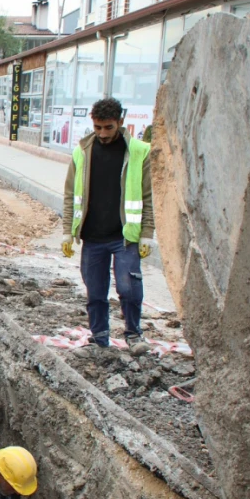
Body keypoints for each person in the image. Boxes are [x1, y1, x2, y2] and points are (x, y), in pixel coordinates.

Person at [61, 97, 154, 348]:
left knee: (129, 289)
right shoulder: (82, 151)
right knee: (95, 291)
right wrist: (67, 232)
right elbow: (71, 194)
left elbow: (148, 196)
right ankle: (100, 337)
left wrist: (147, 233)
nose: (102, 133)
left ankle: (134, 335)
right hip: (92, 237)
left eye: (108, 127)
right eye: (97, 127)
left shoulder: (138, 152)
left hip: (124, 237)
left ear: (120, 122)